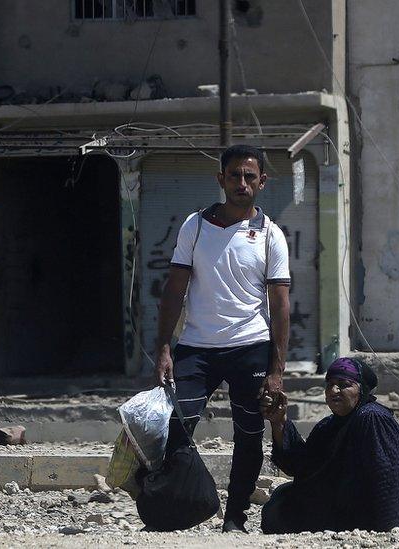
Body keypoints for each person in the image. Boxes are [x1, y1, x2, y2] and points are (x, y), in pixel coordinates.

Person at [154, 144, 291, 533]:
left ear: (262, 182)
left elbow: (280, 306)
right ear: (221, 179)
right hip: (196, 348)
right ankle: (179, 508)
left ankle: (235, 517)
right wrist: (164, 346)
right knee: (176, 428)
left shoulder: (270, 235)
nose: (242, 183)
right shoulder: (194, 226)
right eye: (234, 175)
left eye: (250, 177)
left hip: (250, 347)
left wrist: (276, 370)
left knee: (249, 436)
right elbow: (174, 288)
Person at [260, 357, 399, 533]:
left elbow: (390, 475)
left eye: (343, 384)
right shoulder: (328, 425)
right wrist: (279, 422)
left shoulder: (372, 417)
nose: (334, 390)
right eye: (329, 385)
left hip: (362, 515)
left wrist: (397, 527)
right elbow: (302, 467)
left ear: (361, 389)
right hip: (335, 508)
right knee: (282, 499)